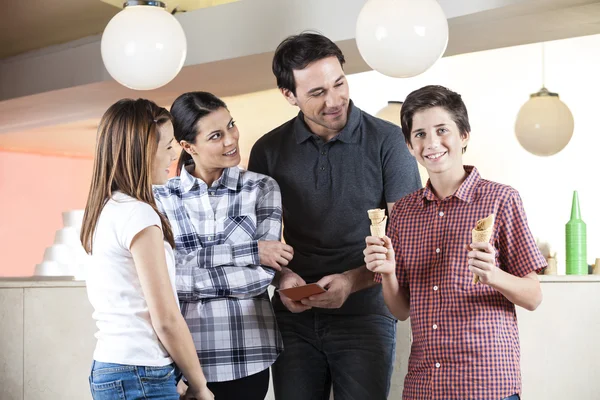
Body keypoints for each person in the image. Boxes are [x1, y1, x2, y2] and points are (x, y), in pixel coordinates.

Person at [248, 33, 422, 399]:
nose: (334, 101)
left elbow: (407, 240)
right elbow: (255, 240)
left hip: (365, 313)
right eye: (316, 93)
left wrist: (352, 281)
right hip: (293, 318)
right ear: (288, 95)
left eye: (339, 83)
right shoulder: (267, 151)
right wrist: (281, 278)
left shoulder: (389, 142)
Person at [364, 85, 546, 400]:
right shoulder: (405, 211)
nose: (431, 143)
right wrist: (389, 272)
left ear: (464, 135)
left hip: (486, 385)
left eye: (442, 130)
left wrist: (493, 275)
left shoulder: (501, 199)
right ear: (409, 145)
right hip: (425, 386)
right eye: (419, 134)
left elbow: (533, 297)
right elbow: (401, 310)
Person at [153, 91, 290, 400]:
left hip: (248, 355)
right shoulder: (160, 196)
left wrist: (188, 270)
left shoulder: (262, 187)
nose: (231, 140)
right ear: (188, 146)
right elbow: (164, 277)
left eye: (231, 125)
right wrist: (249, 252)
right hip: (183, 360)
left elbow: (263, 275)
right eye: (216, 135)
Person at [81, 99, 213, 400]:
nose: (174, 153)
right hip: (140, 372)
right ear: (141, 150)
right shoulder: (138, 215)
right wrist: (200, 385)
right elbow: (165, 317)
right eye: (167, 146)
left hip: (113, 367)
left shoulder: (106, 209)